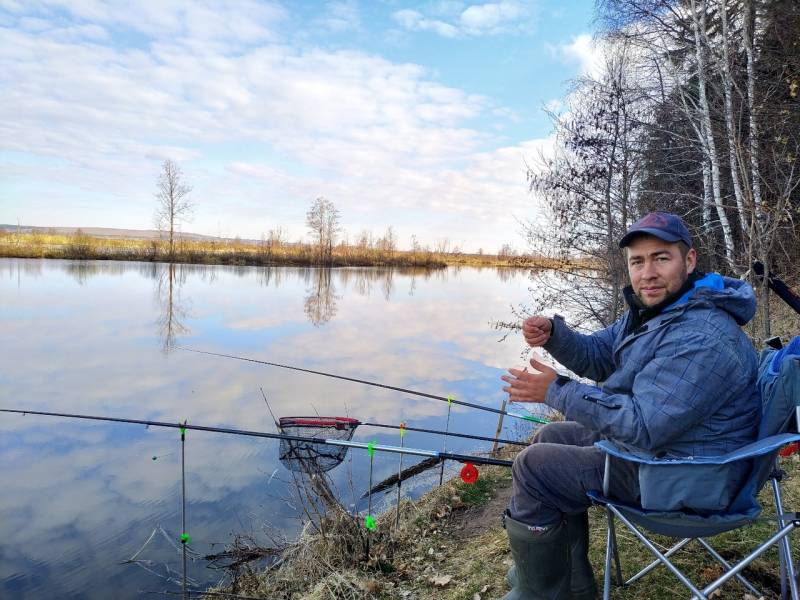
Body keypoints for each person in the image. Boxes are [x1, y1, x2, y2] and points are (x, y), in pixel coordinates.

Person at [499, 212, 761, 600]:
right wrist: (556, 335)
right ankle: (571, 583)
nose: (648, 273)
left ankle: (539, 593)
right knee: (550, 435)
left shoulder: (702, 336)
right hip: (678, 450)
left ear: (689, 261)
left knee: (535, 468)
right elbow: (600, 355)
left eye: (661, 258)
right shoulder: (660, 312)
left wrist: (556, 392)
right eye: (638, 262)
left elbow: (642, 425)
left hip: (689, 475)